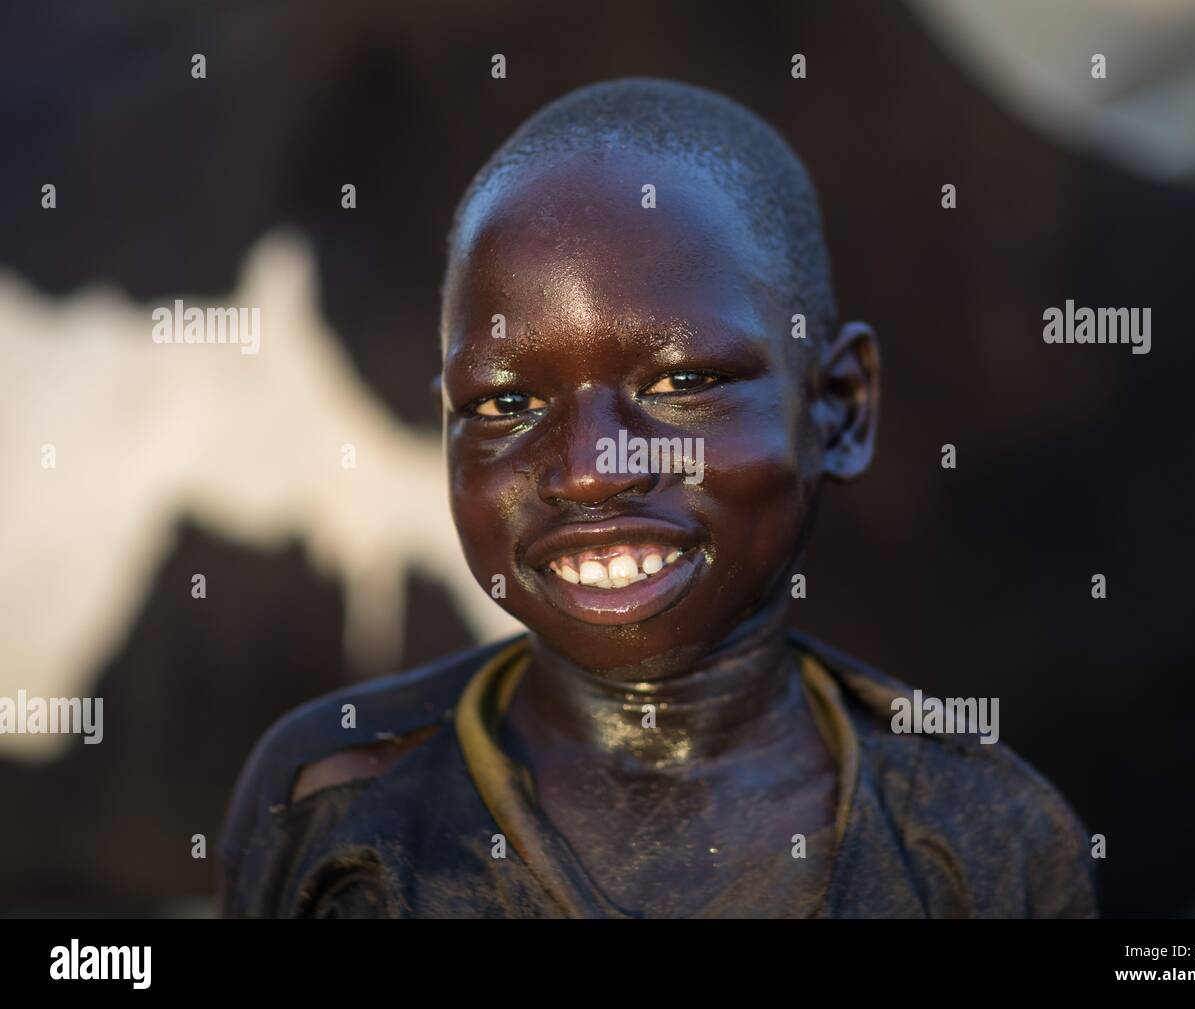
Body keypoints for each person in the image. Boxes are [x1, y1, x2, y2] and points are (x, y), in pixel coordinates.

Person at [219, 78, 1097, 918]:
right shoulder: (335, 797)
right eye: (505, 404)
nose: (592, 469)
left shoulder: (976, 840)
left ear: (837, 408)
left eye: (683, 381)